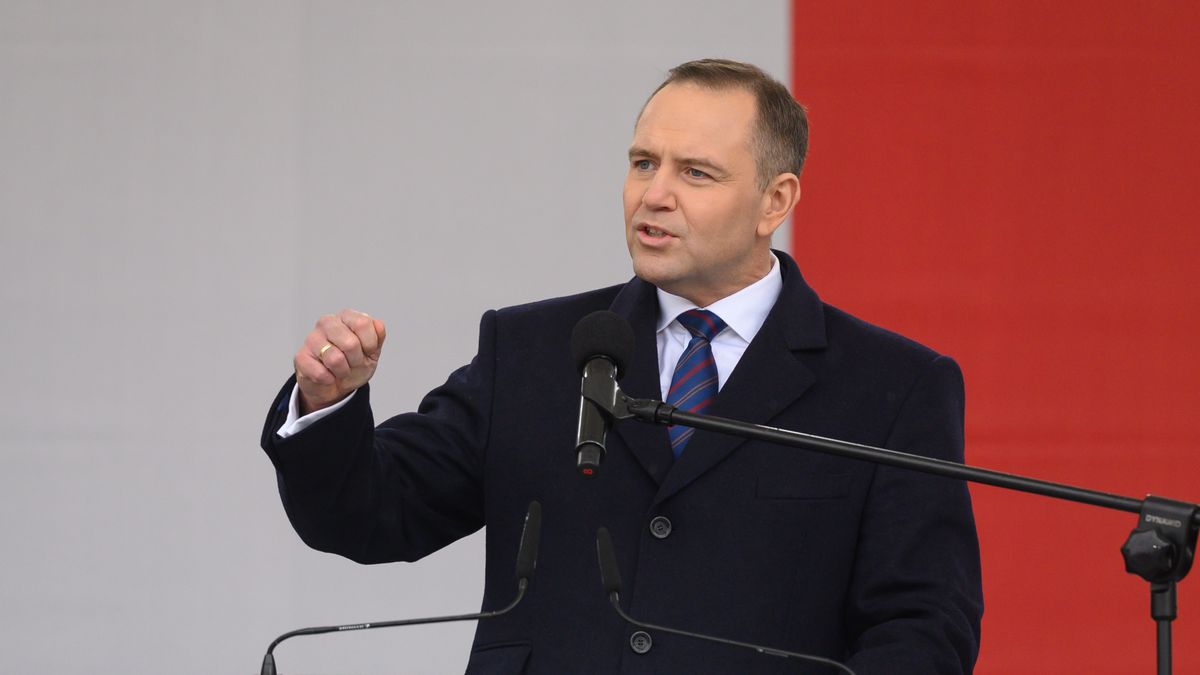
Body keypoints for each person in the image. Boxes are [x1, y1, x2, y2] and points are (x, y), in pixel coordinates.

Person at [261, 59, 983, 674]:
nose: (654, 195)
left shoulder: (891, 386)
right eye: (643, 163)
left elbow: (924, 623)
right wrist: (327, 403)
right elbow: (376, 513)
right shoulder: (536, 348)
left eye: (695, 172)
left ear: (775, 200)